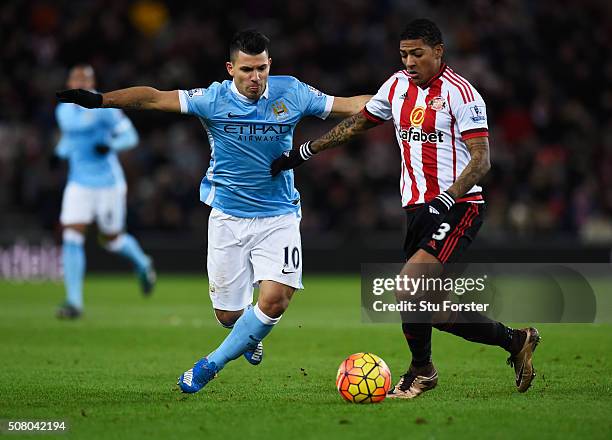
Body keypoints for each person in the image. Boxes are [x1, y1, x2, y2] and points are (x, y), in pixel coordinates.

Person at [57, 30, 371, 393]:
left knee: (275, 300)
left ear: (271, 66)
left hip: (279, 216)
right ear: (230, 68)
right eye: (247, 70)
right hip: (227, 217)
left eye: (262, 69)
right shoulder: (212, 98)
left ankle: (210, 364)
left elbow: (349, 104)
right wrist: (99, 100)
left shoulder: (293, 92)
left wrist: (394, 101)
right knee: (228, 316)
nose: (256, 78)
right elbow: (154, 99)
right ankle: (247, 336)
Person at [271, 19, 540, 398]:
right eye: (403, 54)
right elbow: (359, 123)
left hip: (458, 207)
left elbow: (481, 161)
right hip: (417, 211)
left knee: (407, 288)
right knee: (430, 310)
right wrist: (305, 152)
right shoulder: (396, 86)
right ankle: (517, 341)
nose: (409, 61)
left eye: (417, 53)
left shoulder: (462, 94)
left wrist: (446, 198)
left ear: (438, 51)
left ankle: (421, 371)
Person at [55, 64, 156, 319]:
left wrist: (109, 145)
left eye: (84, 78)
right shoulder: (62, 111)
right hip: (78, 182)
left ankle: (143, 262)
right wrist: (58, 153)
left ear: (92, 81)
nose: (79, 82)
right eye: (75, 77)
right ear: (69, 81)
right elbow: (69, 140)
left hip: (107, 183)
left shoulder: (103, 109)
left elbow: (130, 137)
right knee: (71, 236)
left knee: (112, 240)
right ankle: (74, 302)